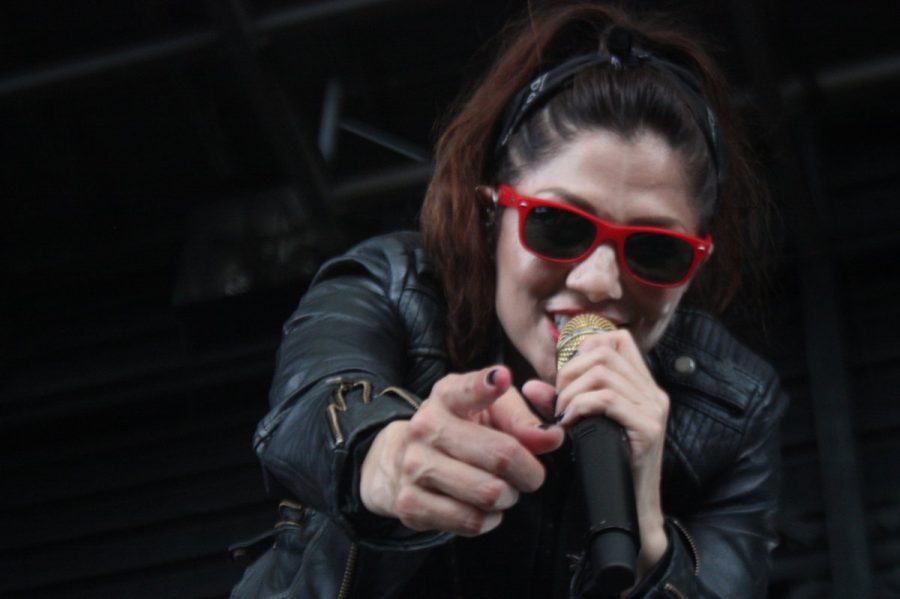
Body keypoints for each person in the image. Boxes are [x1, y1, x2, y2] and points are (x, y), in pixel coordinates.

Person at [230, 2, 786, 598]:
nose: (600, 281)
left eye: (655, 250)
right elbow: (310, 405)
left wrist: (650, 547)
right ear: (492, 211)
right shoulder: (391, 283)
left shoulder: (734, 409)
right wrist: (386, 456)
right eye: (559, 225)